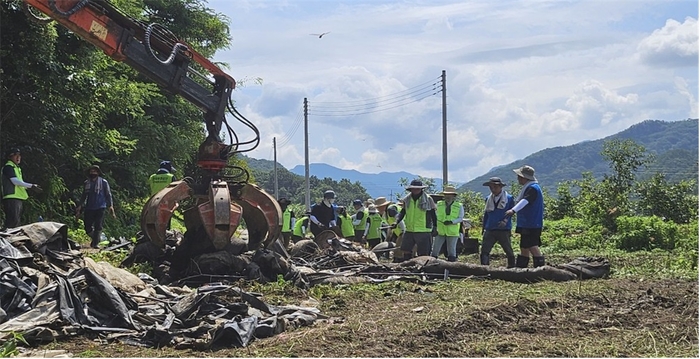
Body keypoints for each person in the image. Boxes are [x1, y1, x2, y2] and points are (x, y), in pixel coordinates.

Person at [505, 165, 545, 268]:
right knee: (524, 246)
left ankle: (540, 269)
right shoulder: (530, 187)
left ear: (524, 177)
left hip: (531, 223)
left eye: (519, 176)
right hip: (527, 222)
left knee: (532, 245)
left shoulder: (532, 189)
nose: (518, 178)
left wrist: (513, 210)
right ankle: (521, 268)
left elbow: (525, 201)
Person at [393, 179, 437, 261]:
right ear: (411, 189)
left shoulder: (428, 199)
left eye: (418, 188)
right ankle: (408, 267)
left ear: (421, 189)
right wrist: (396, 221)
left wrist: (435, 226)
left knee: (423, 253)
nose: (415, 190)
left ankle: (423, 270)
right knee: (406, 250)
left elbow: (433, 214)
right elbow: (403, 212)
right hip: (410, 229)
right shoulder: (407, 199)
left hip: (423, 229)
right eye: (414, 188)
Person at [75, 165, 116, 248]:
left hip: (100, 206)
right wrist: (79, 206)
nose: (93, 173)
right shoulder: (87, 183)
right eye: (91, 171)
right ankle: (96, 238)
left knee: (98, 225)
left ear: (98, 173)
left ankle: (95, 244)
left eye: (94, 171)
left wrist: (110, 205)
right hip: (89, 207)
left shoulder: (103, 182)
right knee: (87, 227)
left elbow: (108, 194)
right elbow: (84, 195)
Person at [480, 177, 516, 267]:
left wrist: (505, 220)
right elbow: (486, 214)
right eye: (491, 187)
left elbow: (512, 211)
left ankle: (512, 268)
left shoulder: (509, 198)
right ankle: (484, 268)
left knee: (508, 250)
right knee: (485, 250)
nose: (493, 189)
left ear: (500, 187)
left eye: (495, 187)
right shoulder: (488, 199)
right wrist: (483, 227)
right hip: (490, 228)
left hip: (503, 228)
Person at [2, 147, 41, 229]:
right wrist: (31, 186)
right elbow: (15, 182)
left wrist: (30, 187)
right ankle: (8, 240)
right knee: (12, 223)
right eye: (16, 155)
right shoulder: (8, 167)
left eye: (19, 155)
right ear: (10, 157)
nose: (18, 157)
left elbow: (20, 183)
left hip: (17, 197)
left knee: (16, 222)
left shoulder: (16, 168)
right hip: (11, 197)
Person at [431, 185, 464, 262]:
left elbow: (460, 218)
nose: (448, 196)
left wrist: (452, 222)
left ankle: (451, 266)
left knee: (451, 250)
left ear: (453, 196)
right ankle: (431, 265)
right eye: (446, 195)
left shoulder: (459, 206)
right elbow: (434, 215)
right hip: (440, 230)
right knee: (435, 249)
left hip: (452, 231)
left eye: (450, 195)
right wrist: (434, 227)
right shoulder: (439, 204)